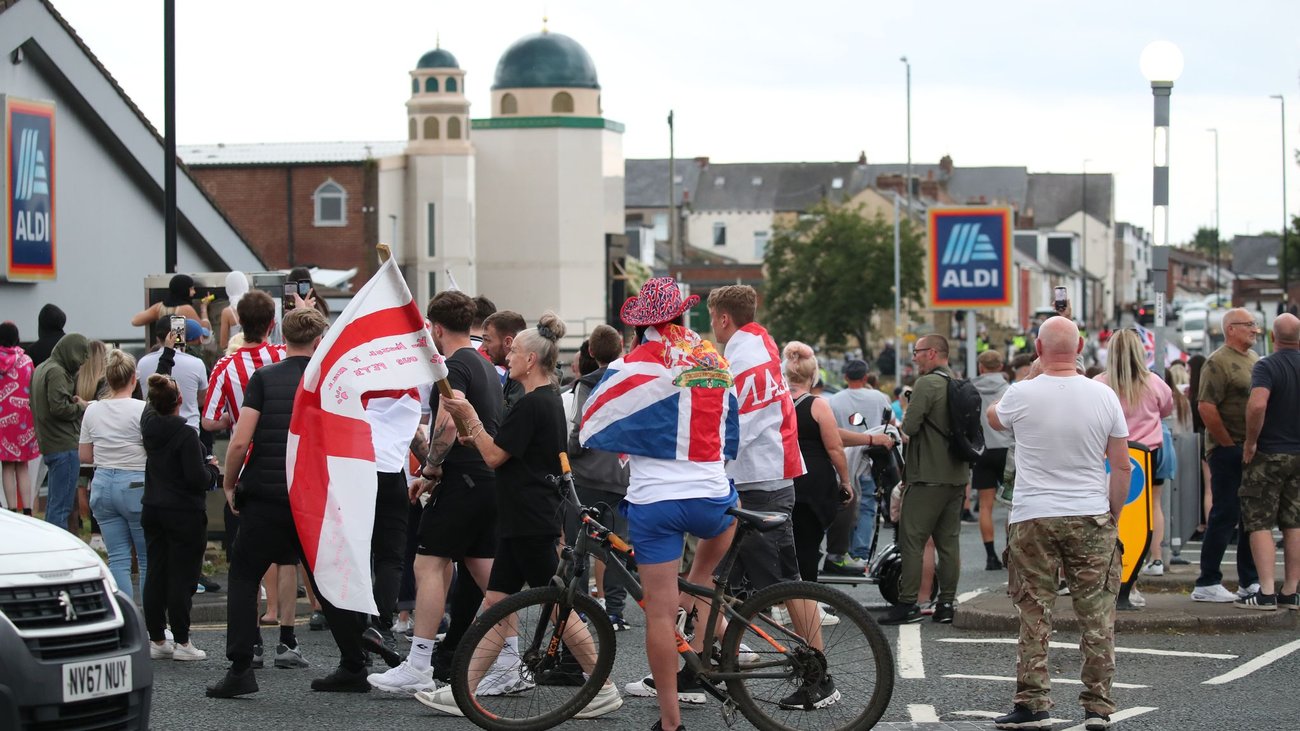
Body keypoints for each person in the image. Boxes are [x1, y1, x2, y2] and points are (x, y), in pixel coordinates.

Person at [419, 315, 623, 717]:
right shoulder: (541, 399)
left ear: (531, 359)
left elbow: (495, 457)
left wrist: (473, 422)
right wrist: (475, 435)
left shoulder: (533, 403)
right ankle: (466, 690)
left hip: (529, 518)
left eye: (513, 351)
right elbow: (506, 451)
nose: (506, 356)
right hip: (523, 516)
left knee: (561, 605)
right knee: (495, 604)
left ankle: (602, 686)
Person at [580, 277, 739, 731]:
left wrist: (637, 437)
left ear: (639, 325)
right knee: (701, 580)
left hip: (656, 504)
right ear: (682, 316)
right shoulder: (713, 360)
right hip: (713, 498)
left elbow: (592, 425)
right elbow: (732, 435)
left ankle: (671, 721)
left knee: (661, 613)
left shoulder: (633, 367)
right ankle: (705, 634)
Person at [208, 307, 366, 697]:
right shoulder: (330, 383)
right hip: (312, 496)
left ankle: (242, 669)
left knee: (244, 575)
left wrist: (230, 485)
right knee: (326, 578)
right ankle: (353, 663)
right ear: (318, 342)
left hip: (266, 493)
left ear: (284, 337)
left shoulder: (265, 378)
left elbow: (241, 441)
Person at [986, 316, 1130, 731]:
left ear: (1037, 346)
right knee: (1097, 613)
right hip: (1090, 514)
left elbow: (994, 418)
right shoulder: (1104, 397)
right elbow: (1121, 466)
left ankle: (1033, 703)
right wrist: (1111, 515)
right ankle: (1098, 707)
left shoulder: (1020, 393)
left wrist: (1032, 374)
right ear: (1081, 345)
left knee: (1034, 611)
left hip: (1033, 515)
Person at [368, 290, 503, 695]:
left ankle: (419, 663)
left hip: (461, 481)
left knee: (428, 565)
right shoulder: (482, 362)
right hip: (486, 480)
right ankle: (510, 663)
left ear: (436, 327)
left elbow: (446, 423)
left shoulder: (454, 366)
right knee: (489, 580)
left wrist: (430, 466)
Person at [201, 290, 299, 629]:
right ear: (272, 323)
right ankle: (287, 631)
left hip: (247, 468)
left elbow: (209, 420)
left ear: (239, 323)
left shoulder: (225, 366)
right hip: (287, 461)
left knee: (247, 553)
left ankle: (252, 635)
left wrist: (232, 418)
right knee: (287, 553)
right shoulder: (281, 354)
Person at [880, 335, 972, 625]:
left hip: (927, 476)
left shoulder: (927, 384)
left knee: (913, 540)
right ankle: (946, 604)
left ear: (932, 353)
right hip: (956, 476)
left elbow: (909, 426)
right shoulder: (959, 384)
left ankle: (907, 603)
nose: (914, 358)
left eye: (917, 353)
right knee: (949, 543)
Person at [140, 359, 218, 662]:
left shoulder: (148, 426)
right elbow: (196, 478)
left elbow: (153, 401)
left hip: (153, 507)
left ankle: (157, 638)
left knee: (156, 574)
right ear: (181, 401)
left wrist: (167, 357)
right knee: (183, 577)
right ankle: (183, 641)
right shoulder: (186, 435)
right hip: (183, 512)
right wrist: (212, 471)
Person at [1192, 308, 1261, 603]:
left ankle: (1249, 580)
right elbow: (1206, 406)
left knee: (1250, 517)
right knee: (1225, 513)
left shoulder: (1254, 361)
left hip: (1251, 448)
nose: (1255, 330)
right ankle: (1207, 581)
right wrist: (1228, 444)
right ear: (1231, 328)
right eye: (1249, 325)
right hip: (1227, 450)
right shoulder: (1217, 362)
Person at [566, 324, 631, 630]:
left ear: (590, 352)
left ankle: (578, 609)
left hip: (587, 475)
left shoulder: (587, 383)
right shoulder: (632, 379)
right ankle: (616, 611)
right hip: (622, 474)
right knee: (617, 546)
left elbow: (579, 429)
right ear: (621, 348)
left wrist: (569, 452)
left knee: (578, 544)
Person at [1094, 330, 1173, 577]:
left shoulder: (1099, 384)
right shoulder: (1155, 383)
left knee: (1112, 507)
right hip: (1149, 454)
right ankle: (1156, 558)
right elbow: (1167, 410)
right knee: (1153, 504)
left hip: (1111, 456)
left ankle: (1114, 560)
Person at [1237, 313, 1300, 610]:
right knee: (1294, 522)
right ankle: (1290, 590)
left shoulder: (1266, 365)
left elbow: (1258, 403)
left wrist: (1251, 441)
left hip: (1268, 454)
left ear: (1273, 338)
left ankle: (1265, 592)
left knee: (1259, 521)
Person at [78, 349, 147, 598]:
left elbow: (85, 457)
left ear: (108, 378)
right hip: (136, 483)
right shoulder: (143, 410)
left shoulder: (93, 410)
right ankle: (153, 626)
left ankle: (128, 620)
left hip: (103, 483)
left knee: (117, 558)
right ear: (133, 379)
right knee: (146, 556)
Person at [782, 342, 852, 584]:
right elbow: (835, 447)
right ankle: (807, 603)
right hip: (813, 482)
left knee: (785, 544)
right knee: (808, 545)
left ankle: (781, 600)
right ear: (813, 376)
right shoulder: (818, 404)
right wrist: (845, 481)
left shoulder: (776, 402)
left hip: (781, 478)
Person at [827, 358, 894, 571]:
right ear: (865, 377)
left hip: (843, 461)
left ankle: (841, 552)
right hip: (871, 460)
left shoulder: (834, 400)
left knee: (844, 506)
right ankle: (861, 553)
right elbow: (890, 425)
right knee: (867, 506)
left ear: (845, 377)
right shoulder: (879, 397)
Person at [31, 333, 90, 532]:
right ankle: (59, 553)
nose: (80, 365)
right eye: (79, 360)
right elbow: (59, 408)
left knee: (53, 506)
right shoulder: (56, 371)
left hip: (50, 444)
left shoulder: (42, 368)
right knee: (61, 508)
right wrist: (81, 406)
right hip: (63, 446)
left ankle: (49, 547)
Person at [972, 349, 1013, 570]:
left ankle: (990, 557)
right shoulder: (1008, 390)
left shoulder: (972, 390)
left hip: (983, 449)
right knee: (1011, 504)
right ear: (1001, 367)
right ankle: (1010, 551)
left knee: (986, 505)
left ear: (981, 367)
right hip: (1006, 449)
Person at [138, 319, 208, 432]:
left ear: (157, 338)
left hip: (154, 430)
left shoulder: (142, 363)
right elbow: (202, 399)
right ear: (179, 335)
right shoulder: (196, 363)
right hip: (189, 428)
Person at [0, 322, 38, 514]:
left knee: (7, 466)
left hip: (2, 421)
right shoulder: (27, 361)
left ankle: (12, 509)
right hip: (24, 420)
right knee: (22, 465)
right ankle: (29, 510)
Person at [131, 273, 210, 333]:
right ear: (184, 290)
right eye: (191, 289)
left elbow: (135, 321)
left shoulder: (159, 307)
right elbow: (204, 330)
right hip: (180, 350)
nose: (194, 292)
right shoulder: (186, 309)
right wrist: (204, 308)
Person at [481, 310, 526, 410]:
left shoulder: (523, 377)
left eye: (487, 340)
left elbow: (512, 421)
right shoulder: (517, 374)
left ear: (508, 342)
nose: (483, 347)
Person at [219, 271, 250, 351]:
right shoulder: (255, 306)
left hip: (235, 355)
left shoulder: (227, 312)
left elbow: (223, 344)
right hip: (255, 353)